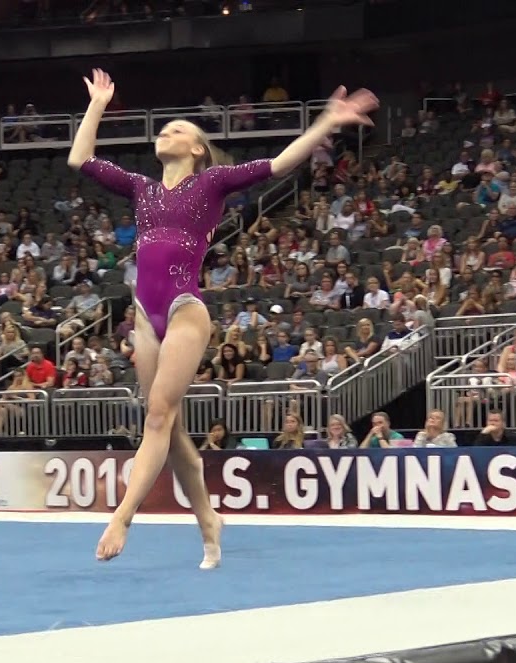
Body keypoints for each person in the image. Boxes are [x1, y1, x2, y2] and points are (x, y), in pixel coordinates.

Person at [69, 69, 377, 566]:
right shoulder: (142, 189)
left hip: (184, 309)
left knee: (157, 418)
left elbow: (278, 164)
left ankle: (122, 516)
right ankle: (208, 521)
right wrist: (98, 105)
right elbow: (80, 158)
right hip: (145, 317)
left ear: (196, 150)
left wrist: (325, 122)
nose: (166, 132)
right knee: (169, 432)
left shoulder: (211, 183)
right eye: (163, 128)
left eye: (179, 129)